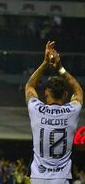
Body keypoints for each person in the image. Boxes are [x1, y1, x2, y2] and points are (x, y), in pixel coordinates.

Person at [25, 41, 83, 184]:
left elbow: (30, 86)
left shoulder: (36, 109)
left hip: (38, 177)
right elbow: (78, 91)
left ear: (45, 93)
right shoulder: (71, 111)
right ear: (64, 95)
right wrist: (60, 68)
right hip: (61, 178)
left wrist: (45, 63)